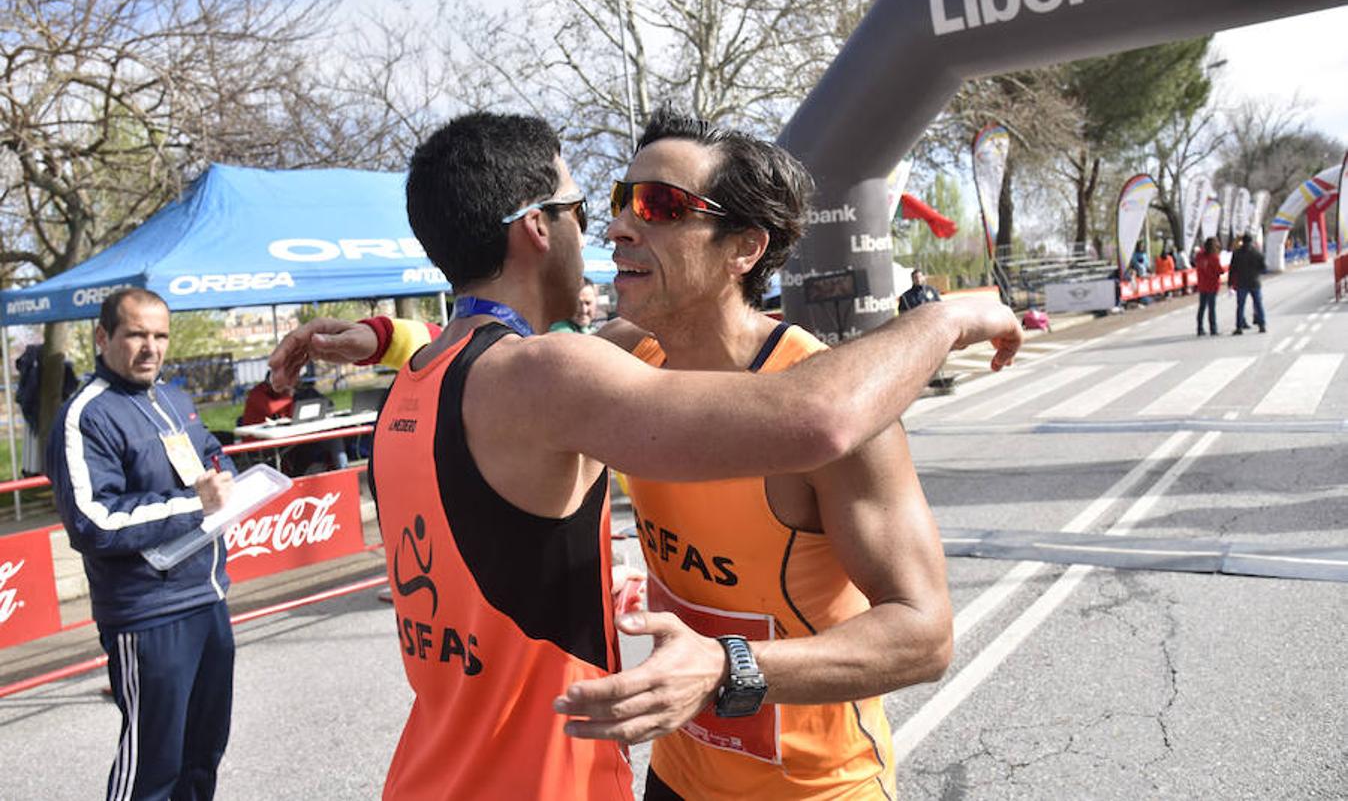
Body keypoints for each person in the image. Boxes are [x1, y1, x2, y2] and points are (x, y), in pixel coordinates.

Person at [268, 110, 1022, 800]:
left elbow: (924, 634)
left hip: (814, 789)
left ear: (745, 249)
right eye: (618, 199)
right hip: (674, 775)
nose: (620, 226)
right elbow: (502, 367)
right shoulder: (626, 362)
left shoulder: (829, 407)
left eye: (659, 206)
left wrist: (732, 667)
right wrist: (389, 338)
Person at [47, 288, 237, 801]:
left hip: (208, 598)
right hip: (148, 615)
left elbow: (213, 458)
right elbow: (92, 521)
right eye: (135, 334)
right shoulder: (85, 415)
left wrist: (231, 482)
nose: (150, 347)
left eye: (159, 335)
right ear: (103, 337)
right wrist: (197, 503)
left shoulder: (173, 398)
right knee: (152, 768)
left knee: (203, 755)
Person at [14, 342, 77, 475]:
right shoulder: (34, 365)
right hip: (45, 410)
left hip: (53, 410)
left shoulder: (34, 365)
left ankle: (39, 470)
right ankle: (37, 470)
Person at [1229, 232, 1268, 334]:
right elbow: (1264, 267)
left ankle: (1239, 327)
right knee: (1258, 304)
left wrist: (1230, 283)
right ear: (1252, 241)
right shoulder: (1257, 252)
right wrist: (1257, 273)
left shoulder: (1237, 253)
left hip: (1241, 282)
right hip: (1255, 282)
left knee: (1240, 305)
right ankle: (1262, 324)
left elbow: (1232, 269)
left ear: (1243, 241)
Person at [1194, 236, 1225, 336]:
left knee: (1202, 307)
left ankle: (1199, 328)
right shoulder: (1214, 257)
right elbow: (1220, 271)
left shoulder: (1199, 256)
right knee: (1212, 308)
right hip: (1212, 285)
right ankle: (1213, 328)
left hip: (1202, 284)